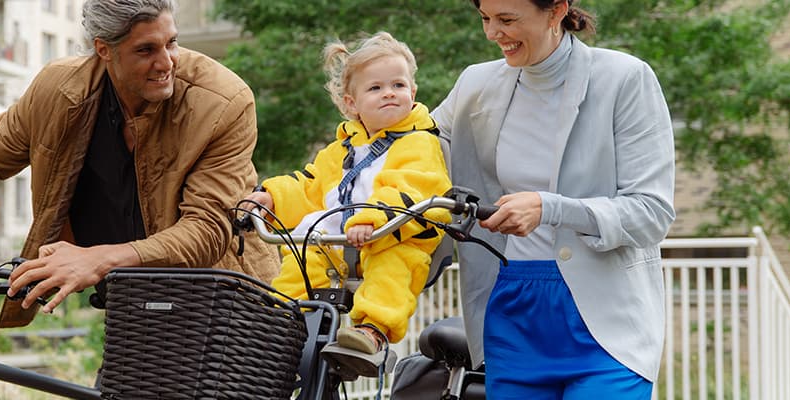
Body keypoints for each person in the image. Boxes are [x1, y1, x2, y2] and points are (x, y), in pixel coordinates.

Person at [0, 0, 278, 325]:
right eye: (146, 50)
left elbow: (205, 232)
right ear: (103, 50)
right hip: (133, 302)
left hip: (224, 302)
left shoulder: (222, 101)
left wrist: (97, 259)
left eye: (172, 43)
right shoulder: (58, 90)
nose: (166, 63)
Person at [430, 0, 676, 398]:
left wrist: (550, 208)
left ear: (556, 10)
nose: (493, 33)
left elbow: (651, 212)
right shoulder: (474, 85)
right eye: (485, 19)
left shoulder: (625, 78)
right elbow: (414, 145)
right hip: (513, 310)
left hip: (607, 322)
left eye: (507, 20)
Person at [243, 32, 451, 376]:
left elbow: (414, 185)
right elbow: (311, 187)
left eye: (398, 85)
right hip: (338, 242)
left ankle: (371, 332)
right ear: (351, 104)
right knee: (302, 256)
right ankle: (282, 321)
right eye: (375, 88)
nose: (389, 93)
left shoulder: (419, 143)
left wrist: (371, 219)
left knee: (393, 268)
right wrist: (272, 199)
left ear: (412, 93)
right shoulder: (341, 149)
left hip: (393, 235)